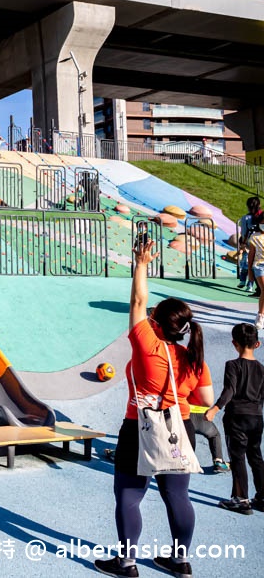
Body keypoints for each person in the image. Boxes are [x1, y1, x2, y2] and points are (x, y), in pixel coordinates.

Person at [95, 239, 213, 578]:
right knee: (178, 497)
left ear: (157, 324)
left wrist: (142, 263)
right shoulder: (194, 357)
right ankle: (180, 561)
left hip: (140, 427)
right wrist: (175, 399)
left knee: (129, 495)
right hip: (181, 428)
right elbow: (205, 400)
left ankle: (127, 562)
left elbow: (137, 300)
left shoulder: (148, 347)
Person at [206, 323, 264, 514]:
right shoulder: (262, 369)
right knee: (255, 456)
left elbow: (229, 389)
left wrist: (215, 408)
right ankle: (262, 496)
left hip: (236, 417)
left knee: (238, 457)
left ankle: (241, 499)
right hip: (256, 417)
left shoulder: (232, 365)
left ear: (234, 343)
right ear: (257, 344)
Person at [188, 403, 229, 473]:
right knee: (214, 435)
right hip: (202, 416)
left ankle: (185, 462)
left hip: (185, 416)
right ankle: (218, 462)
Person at [246, 214, 264, 328]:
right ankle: (260, 315)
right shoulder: (255, 237)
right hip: (259, 265)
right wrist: (249, 271)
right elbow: (251, 255)